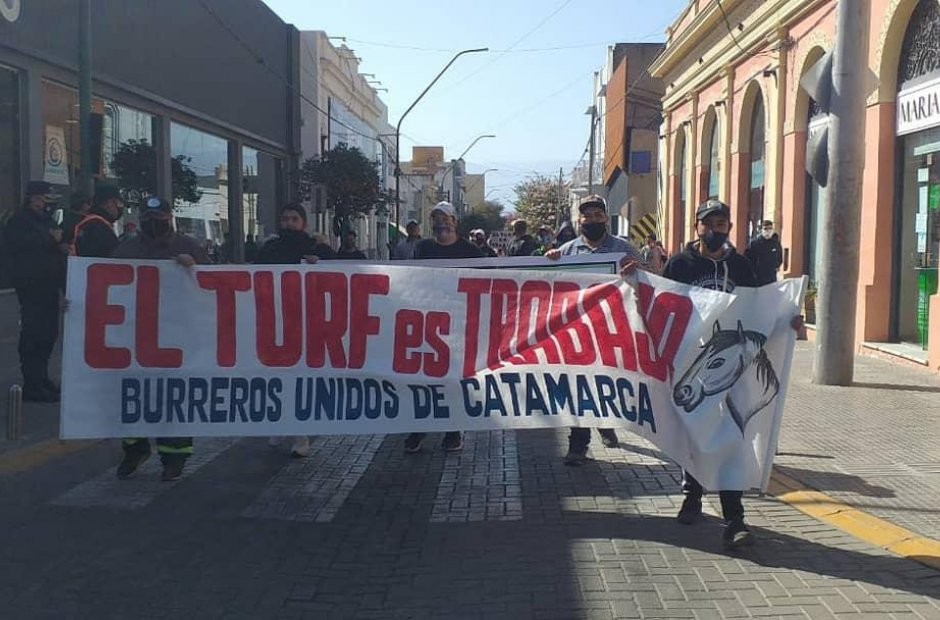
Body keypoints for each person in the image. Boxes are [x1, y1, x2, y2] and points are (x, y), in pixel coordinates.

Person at [662, 199, 782, 548]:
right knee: (694, 434)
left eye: (721, 224)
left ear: (729, 227)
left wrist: (787, 320)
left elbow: (760, 305)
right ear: (697, 226)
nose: (715, 230)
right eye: (708, 223)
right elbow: (661, 301)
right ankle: (693, 494)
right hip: (691, 363)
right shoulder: (680, 264)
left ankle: (734, 518)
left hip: (732, 370)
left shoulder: (741, 266)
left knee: (731, 436)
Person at [110, 197, 212, 482]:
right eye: (147, 217)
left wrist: (194, 268)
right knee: (133, 395)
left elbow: (213, 286)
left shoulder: (188, 246)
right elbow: (101, 283)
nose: (152, 222)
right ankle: (135, 449)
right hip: (135, 335)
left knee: (173, 396)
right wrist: (76, 301)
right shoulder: (126, 249)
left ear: (169, 217)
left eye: (158, 217)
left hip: (176, 336)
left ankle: (174, 457)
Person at [546, 195, 645, 466]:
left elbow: (651, 279)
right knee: (578, 386)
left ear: (606, 219)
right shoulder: (567, 251)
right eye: (586, 216)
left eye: (597, 216)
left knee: (605, 382)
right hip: (577, 332)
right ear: (579, 220)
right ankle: (578, 444)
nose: (592, 220)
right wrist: (550, 261)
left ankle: (605, 422)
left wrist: (638, 270)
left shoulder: (624, 250)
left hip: (612, 329)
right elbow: (549, 284)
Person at [255, 203, 336, 459]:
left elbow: (338, 275)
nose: (289, 223)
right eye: (285, 219)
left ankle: (300, 434)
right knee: (277, 376)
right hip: (276, 320)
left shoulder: (317, 248)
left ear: (303, 223)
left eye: (294, 219)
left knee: (301, 378)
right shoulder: (270, 249)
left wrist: (320, 263)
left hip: (307, 322)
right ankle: (281, 423)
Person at [404, 202, 483, 454]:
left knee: (453, 379)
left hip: (459, 324)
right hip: (427, 323)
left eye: (446, 218)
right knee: (423, 378)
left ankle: (452, 431)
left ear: (455, 222)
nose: (441, 223)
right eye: (436, 218)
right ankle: (419, 428)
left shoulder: (471, 251)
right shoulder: (423, 248)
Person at [2, 181, 66, 402]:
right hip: (31, 285)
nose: (47, 204)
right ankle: (32, 383)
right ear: (33, 198)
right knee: (34, 334)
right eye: (44, 199)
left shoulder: (46, 220)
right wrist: (50, 239)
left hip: (49, 284)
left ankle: (41, 377)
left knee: (48, 334)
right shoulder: (19, 221)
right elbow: (20, 246)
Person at [72, 183, 124, 258]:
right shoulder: (99, 226)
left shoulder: (89, 222)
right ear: (109, 204)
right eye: (119, 203)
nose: (120, 208)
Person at [745, 219, 783, 286]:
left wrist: (776, 266)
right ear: (761, 230)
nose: (768, 231)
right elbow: (748, 259)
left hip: (771, 278)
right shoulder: (754, 244)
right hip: (758, 278)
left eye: (770, 228)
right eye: (765, 228)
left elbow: (779, 257)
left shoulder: (775, 243)